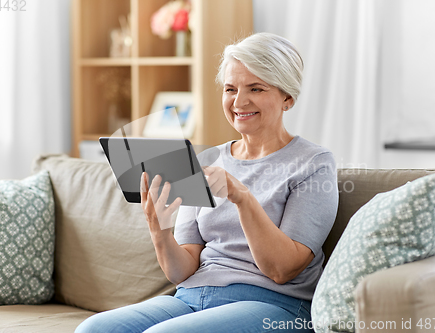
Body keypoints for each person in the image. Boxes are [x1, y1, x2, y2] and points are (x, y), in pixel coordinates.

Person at [76, 32, 338, 333]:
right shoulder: (207, 160)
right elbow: (182, 270)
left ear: (287, 98)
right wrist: (158, 228)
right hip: (192, 296)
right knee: (94, 329)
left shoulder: (313, 163)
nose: (239, 101)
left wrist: (242, 197)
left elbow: (281, 269)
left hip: (274, 305)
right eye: (230, 89)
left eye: (256, 88)